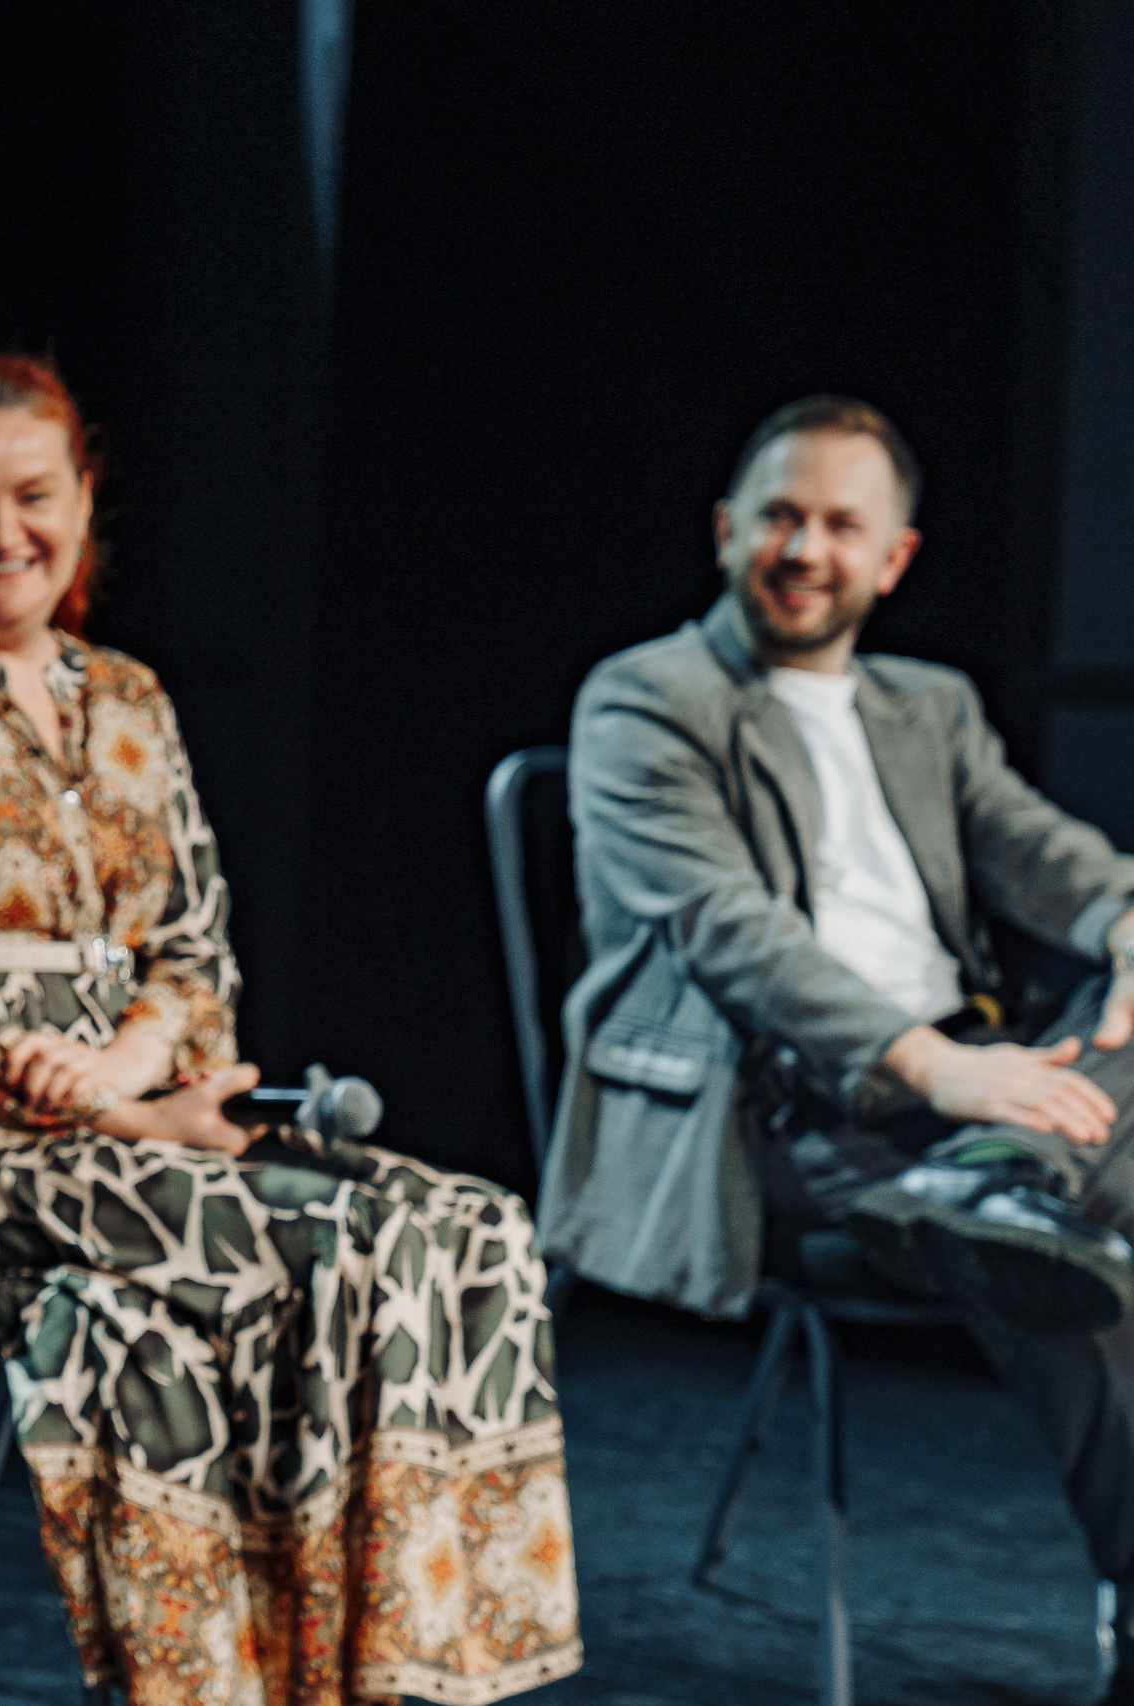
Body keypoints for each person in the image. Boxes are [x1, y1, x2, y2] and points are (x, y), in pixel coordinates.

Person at [0, 354, 580, 1706]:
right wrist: (135, 1112)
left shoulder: (134, 700)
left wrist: (138, 1063)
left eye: (32, 494)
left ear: (86, 498)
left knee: (473, 1223)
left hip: (139, 1107)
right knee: (336, 1246)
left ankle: (410, 1658)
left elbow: (198, 951)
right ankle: (311, 1674)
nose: (1, 534)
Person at [544, 393, 1134, 1684]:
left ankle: (1003, 1185)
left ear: (893, 558)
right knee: (1070, 1261)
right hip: (784, 1113)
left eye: (838, 525)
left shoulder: (931, 708)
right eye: (780, 517)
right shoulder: (649, 698)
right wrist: (939, 1067)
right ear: (726, 529)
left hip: (972, 1098)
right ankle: (1015, 1195)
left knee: (1063, 1162)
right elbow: (734, 933)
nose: (805, 548)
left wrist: (1127, 922)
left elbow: (1051, 859)